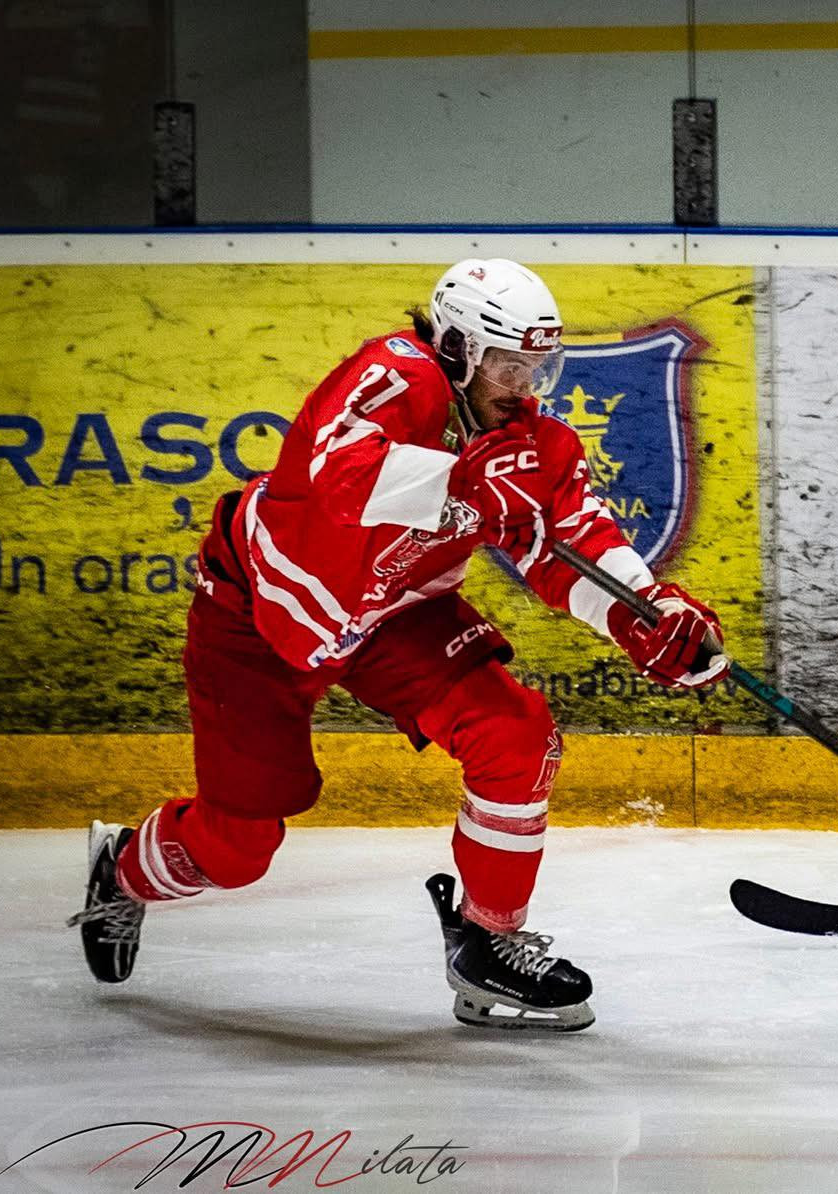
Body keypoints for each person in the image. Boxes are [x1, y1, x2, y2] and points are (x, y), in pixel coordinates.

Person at [67, 259, 727, 1032]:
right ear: (455, 346)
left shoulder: (531, 441)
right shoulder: (392, 376)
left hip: (393, 618)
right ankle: (122, 870)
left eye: (536, 364)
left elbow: (569, 540)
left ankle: (489, 940)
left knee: (517, 738)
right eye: (507, 362)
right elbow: (334, 475)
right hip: (261, 611)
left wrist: (644, 612)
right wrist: (468, 483)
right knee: (238, 847)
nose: (525, 382)